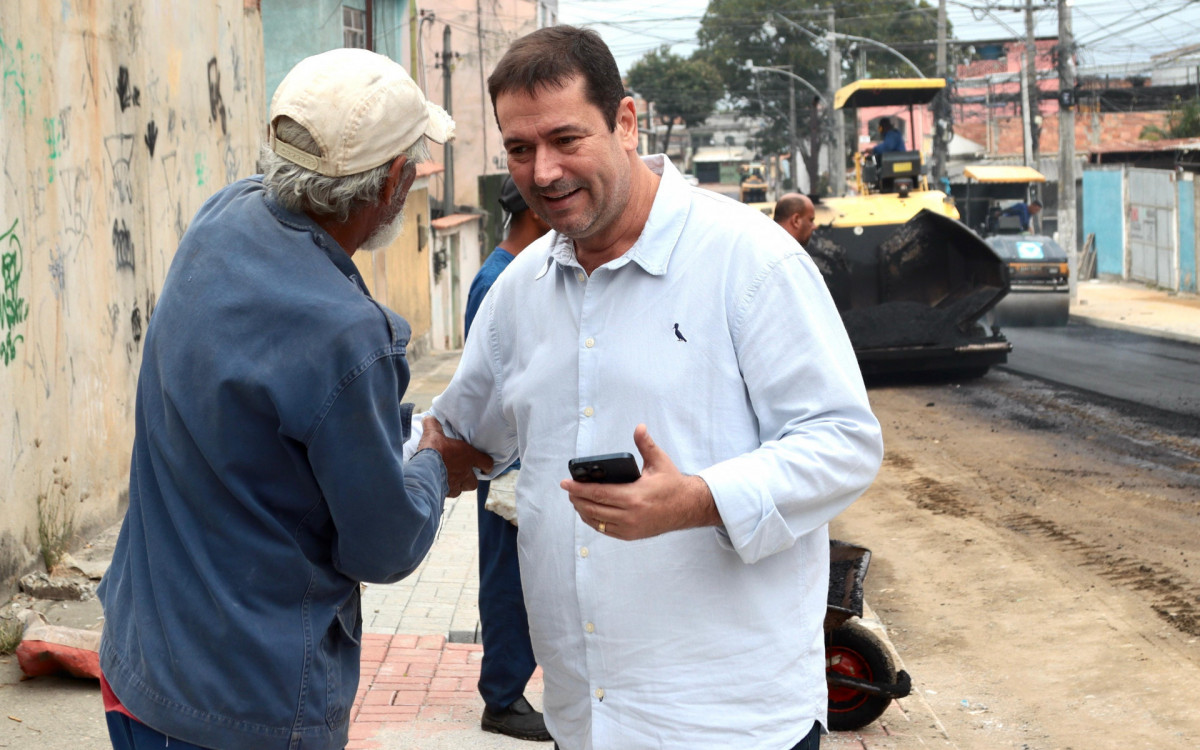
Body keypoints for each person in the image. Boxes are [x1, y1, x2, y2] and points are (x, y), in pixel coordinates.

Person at [420, 26, 883, 750]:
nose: (542, 172)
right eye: (519, 149)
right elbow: (460, 439)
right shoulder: (520, 292)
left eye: (566, 139)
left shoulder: (749, 262)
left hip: (733, 724)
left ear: (626, 121)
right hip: (584, 720)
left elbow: (844, 443)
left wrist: (698, 500)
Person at [97, 48, 493, 750]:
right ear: (394, 183)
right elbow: (382, 545)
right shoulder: (349, 336)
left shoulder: (221, 219)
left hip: (140, 664)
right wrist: (434, 463)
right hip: (250, 704)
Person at [466, 176, 552, 742]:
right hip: (504, 460)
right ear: (534, 214)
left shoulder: (517, 271)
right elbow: (485, 383)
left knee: (524, 576)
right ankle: (501, 697)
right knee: (506, 578)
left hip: (523, 455)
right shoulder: (499, 279)